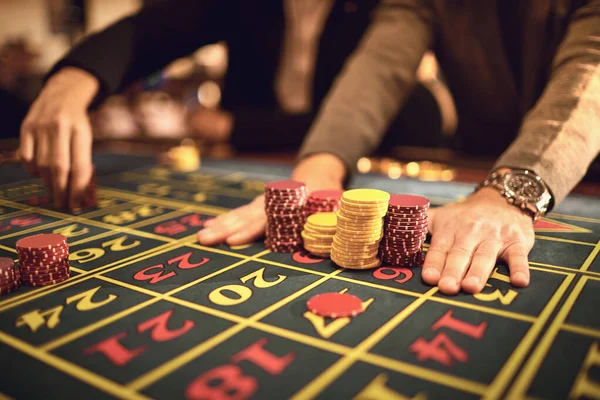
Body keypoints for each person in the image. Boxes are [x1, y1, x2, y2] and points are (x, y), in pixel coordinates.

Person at [198, 0, 600, 295]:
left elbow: (591, 67)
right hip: (482, 155)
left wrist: (511, 193)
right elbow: (378, 66)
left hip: (583, 169)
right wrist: (318, 172)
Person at [17, 0, 445, 209]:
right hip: (252, 167)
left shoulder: (387, 8)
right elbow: (149, 31)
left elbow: (386, 117)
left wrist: (235, 127)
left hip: (366, 164)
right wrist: (73, 79)